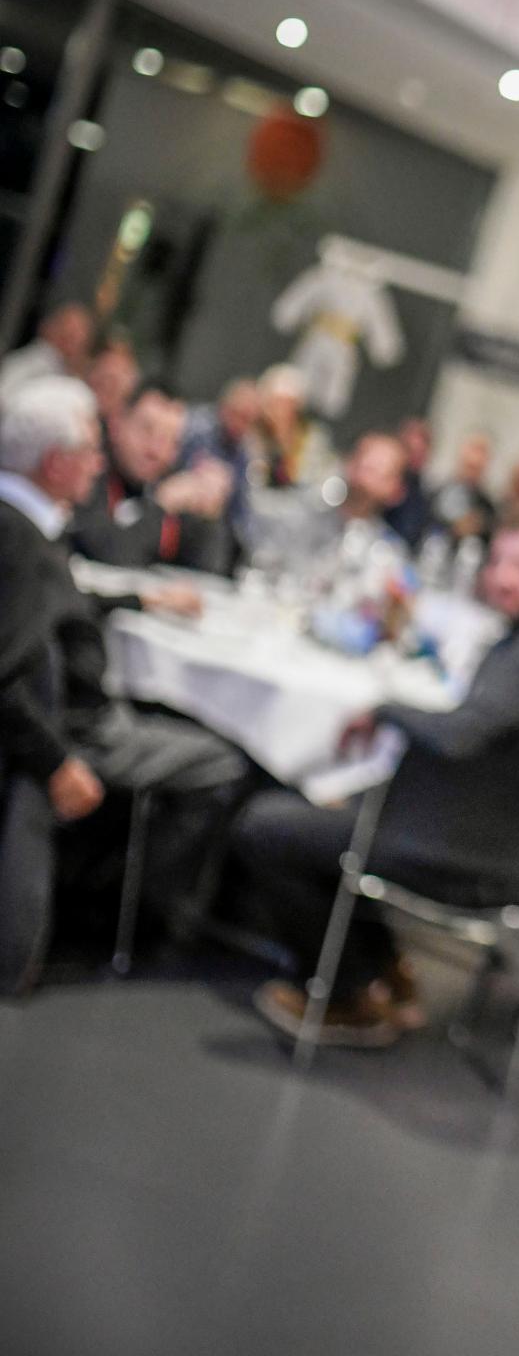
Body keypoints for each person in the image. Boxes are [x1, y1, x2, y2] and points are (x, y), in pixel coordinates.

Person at [235, 516, 519, 1047]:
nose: (502, 577)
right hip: (479, 832)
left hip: (474, 851)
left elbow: (460, 736)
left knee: (265, 826)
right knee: (334, 809)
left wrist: (384, 710)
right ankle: (384, 974)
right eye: (497, 562)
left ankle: (352, 993)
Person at [0, 375, 248, 961]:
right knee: (226, 761)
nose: (96, 466)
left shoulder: (26, 525)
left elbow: (60, 601)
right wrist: (58, 764)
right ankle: (126, 916)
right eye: (89, 451)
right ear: (57, 463)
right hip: (73, 728)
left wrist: (138, 600)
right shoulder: (20, 539)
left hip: (68, 715)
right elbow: (6, 672)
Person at [70, 384, 234, 574]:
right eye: (147, 430)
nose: (156, 450)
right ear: (116, 424)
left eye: (171, 440)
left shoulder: (169, 479)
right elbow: (105, 555)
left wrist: (210, 516)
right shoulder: (90, 472)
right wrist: (160, 506)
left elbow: (207, 571)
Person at [178, 378, 263, 551]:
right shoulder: (195, 431)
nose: (241, 425)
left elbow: (242, 511)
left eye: (248, 420)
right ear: (223, 407)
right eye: (238, 414)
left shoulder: (242, 453)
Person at [0, 303, 95, 395]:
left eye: (76, 338)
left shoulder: (74, 377)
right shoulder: (29, 362)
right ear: (48, 329)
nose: (70, 345)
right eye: (68, 336)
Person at [429, 430, 496, 543]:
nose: (476, 458)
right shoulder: (437, 492)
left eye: (482, 451)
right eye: (473, 448)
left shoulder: (488, 508)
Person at [382, 415, 434, 549]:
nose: (414, 458)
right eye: (410, 450)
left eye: (420, 453)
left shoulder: (421, 498)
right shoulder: (377, 481)